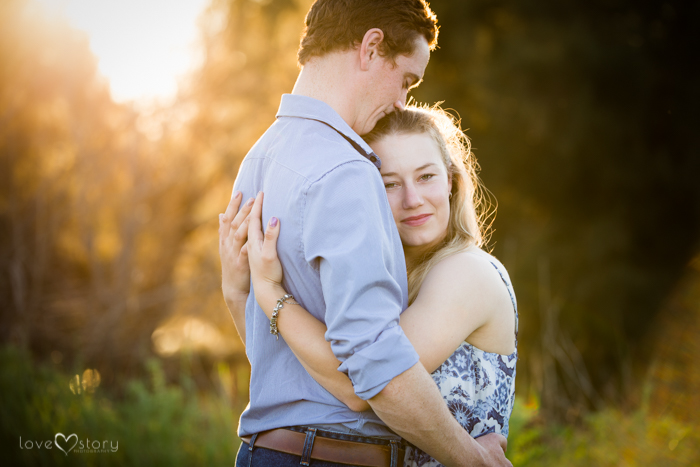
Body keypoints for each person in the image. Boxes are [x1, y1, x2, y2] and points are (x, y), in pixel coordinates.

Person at [219, 0, 511, 466]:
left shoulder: (258, 159)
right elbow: (373, 372)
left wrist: (247, 293)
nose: (402, 102)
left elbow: (269, 352)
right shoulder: (347, 170)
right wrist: (473, 461)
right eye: (406, 80)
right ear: (372, 47)